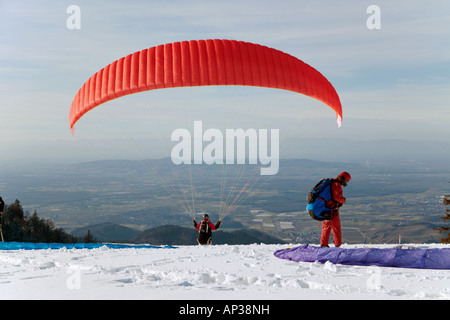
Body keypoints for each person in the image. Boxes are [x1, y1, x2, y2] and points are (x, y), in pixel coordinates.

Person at [320, 172, 351, 248]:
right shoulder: (337, 184)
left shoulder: (332, 182)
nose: (346, 183)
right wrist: (343, 200)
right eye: (347, 181)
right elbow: (337, 197)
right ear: (343, 179)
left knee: (326, 227)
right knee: (336, 228)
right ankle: (338, 246)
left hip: (326, 209)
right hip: (333, 210)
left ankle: (323, 244)